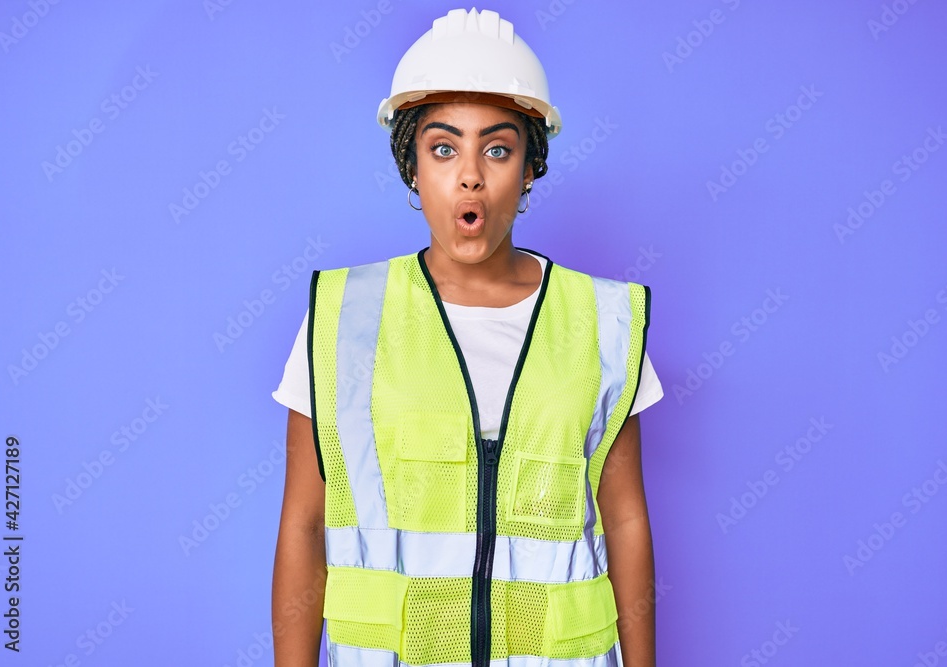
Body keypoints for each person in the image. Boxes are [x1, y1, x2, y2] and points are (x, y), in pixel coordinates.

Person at [271, 8, 664, 667]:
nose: (471, 175)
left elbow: (625, 521)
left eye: (499, 148)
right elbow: (303, 525)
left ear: (530, 167)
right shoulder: (344, 317)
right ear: (412, 168)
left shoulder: (603, 322)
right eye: (444, 147)